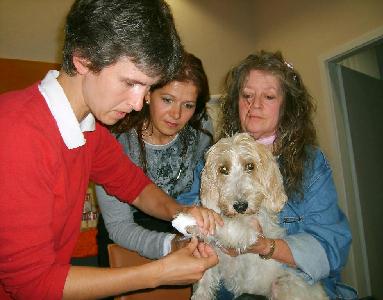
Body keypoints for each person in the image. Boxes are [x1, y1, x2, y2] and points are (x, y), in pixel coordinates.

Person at [0, 1, 223, 299]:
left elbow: (136, 188)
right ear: (84, 59)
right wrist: (159, 273)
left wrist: (182, 212)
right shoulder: (16, 134)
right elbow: (32, 285)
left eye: (146, 88)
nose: (136, 104)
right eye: (130, 83)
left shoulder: (89, 128)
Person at [215, 50, 357, 299]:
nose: (254, 105)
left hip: (301, 287)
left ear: (286, 106)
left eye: (268, 96)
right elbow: (191, 230)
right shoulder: (213, 161)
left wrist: (264, 246)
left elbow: (332, 247)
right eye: (247, 95)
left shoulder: (311, 163)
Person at [96, 51, 214, 265]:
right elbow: (119, 226)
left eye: (188, 105)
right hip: (124, 235)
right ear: (148, 93)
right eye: (167, 100)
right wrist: (170, 245)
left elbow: (199, 195)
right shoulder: (116, 138)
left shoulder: (200, 131)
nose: (176, 115)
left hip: (183, 227)